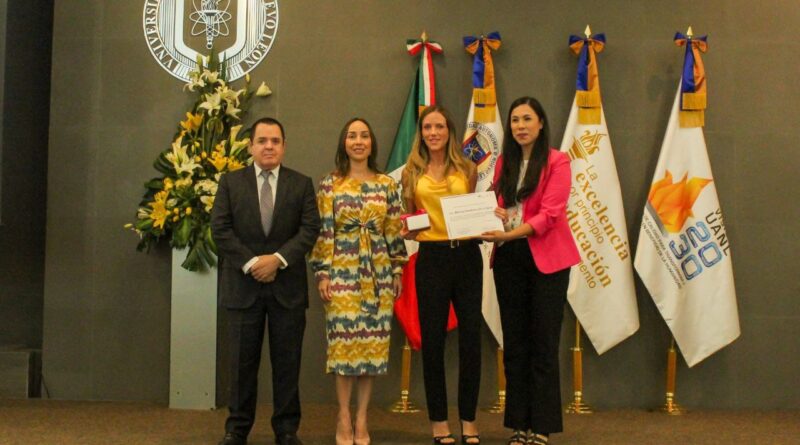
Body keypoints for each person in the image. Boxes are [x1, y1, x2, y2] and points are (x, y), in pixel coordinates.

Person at [211, 117, 321, 445]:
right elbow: (220, 229)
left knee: (287, 364)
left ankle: (286, 430)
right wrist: (252, 264)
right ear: (250, 146)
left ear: (284, 147)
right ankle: (236, 429)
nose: (268, 146)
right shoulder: (230, 183)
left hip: (287, 290)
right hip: (242, 289)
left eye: (275, 141)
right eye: (262, 141)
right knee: (240, 366)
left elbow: (310, 229)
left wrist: (278, 259)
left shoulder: (301, 184)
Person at [480, 97, 580, 445]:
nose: (520, 126)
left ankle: (542, 427)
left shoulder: (558, 161)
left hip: (546, 261)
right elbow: (501, 207)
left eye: (527, 119)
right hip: (509, 260)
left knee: (544, 343)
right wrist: (491, 215)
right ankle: (519, 425)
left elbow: (550, 215)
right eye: (515, 120)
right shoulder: (503, 163)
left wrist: (510, 232)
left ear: (540, 123)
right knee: (515, 344)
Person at [309, 118, 407, 445]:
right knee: (344, 348)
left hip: (378, 274)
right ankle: (343, 416)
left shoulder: (386, 185)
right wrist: (323, 273)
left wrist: (397, 270)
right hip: (342, 271)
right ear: (344, 143)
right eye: (352, 136)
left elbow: (393, 230)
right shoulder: (330, 184)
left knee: (371, 348)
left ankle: (362, 417)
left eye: (364, 135)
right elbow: (323, 231)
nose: (359, 141)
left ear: (372, 143)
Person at [400, 105, 482, 445]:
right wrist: (407, 230)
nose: (433, 133)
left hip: (466, 256)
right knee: (432, 342)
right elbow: (409, 216)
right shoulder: (411, 172)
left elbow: (475, 211)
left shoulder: (468, 168)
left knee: (471, 341)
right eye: (427, 127)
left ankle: (469, 421)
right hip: (431, 259)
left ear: (449, 131)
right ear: (421, 133)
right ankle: (438, 423)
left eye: (439, 127)